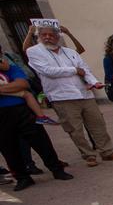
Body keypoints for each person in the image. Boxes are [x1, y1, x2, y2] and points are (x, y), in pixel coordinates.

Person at [26, 23, 113, 166]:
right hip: (62, 96)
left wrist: (94, 82)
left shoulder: (69, 52)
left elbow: (85, 70)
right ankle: (89, 155)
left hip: (84, 93)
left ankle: (107, 151)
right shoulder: (34, 52)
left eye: (51, 34)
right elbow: (48, 71)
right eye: (44, 35)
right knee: (74, 129)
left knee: (97, 124)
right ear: (39, 36)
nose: (48, 37)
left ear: (57, 36)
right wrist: (74, 70)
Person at [0, 55, 73, 191]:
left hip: (21, 110)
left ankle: (57, 169)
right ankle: (23, 178)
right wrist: (13, 89)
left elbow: (23, 84)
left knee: (41, 141)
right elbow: (18, 87)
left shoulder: (10, 68)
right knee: (8, 148)